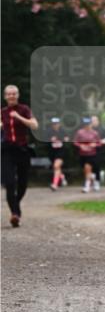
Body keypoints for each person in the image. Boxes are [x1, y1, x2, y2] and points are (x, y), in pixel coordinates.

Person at [1, 83, 38, 227]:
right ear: (5, 96)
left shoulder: (24, 109)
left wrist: (19, 117)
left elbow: (35, 125)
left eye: (14, 93)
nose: (11, 96)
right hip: (7, 150)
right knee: (9, 183)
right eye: (8, 94)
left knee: (22, 184)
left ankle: (15, 206)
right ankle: (15, 214)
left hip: (22, 149)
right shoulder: (2, 112)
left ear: (17, 95)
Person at [73, 116, 102, 192]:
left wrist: (94, 145)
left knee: (87, 168)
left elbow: (99, 143)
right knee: (86, 170)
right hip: (83, 154)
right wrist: (81, 146)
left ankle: (87, 186)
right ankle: (94, 180)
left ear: (91, 124)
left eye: (88, 124)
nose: (87, 125)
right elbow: (75, 142)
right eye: (85, 124)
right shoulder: (80, 132)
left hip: (92, 154)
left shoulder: (95, 133)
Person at [47, 116, 69, 190]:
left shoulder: (63, 131)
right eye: (53, 124)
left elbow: (67, 139)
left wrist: (64, 139)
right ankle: (62, 177)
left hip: (61, 152)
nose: (55, 125)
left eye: (56, 123)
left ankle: (55, 184)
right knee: (57, 167)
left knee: (56, 166)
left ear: (59, 124)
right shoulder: (49, 131)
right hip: (52, 152)